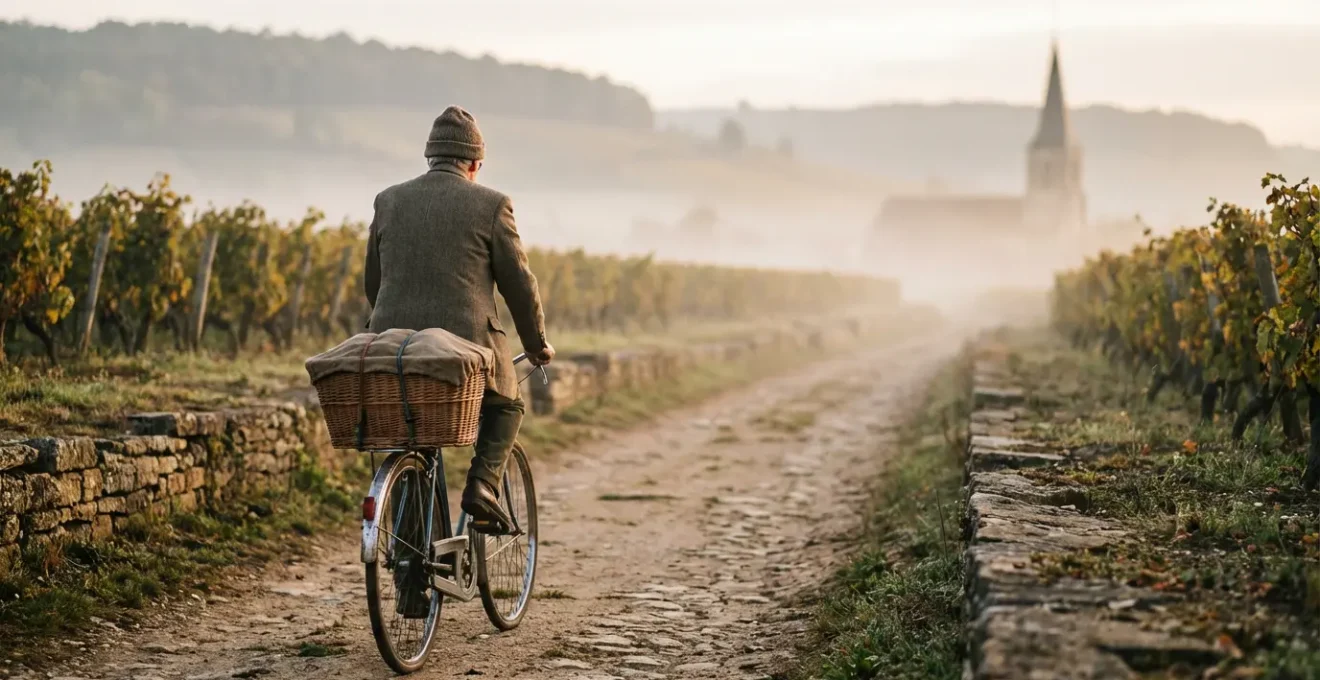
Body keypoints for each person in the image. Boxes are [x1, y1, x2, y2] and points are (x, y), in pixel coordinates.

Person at [364, 105, 554, 531]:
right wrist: (536, 343)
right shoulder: (492, 204)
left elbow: (373, 284)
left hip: (395, 349)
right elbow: (519, 285)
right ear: (474, 164)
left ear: (431, 158)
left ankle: (410, 574)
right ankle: (483, 486)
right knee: (507, 406)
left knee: (412, 430)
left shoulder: (388, 200)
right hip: (468, 353)